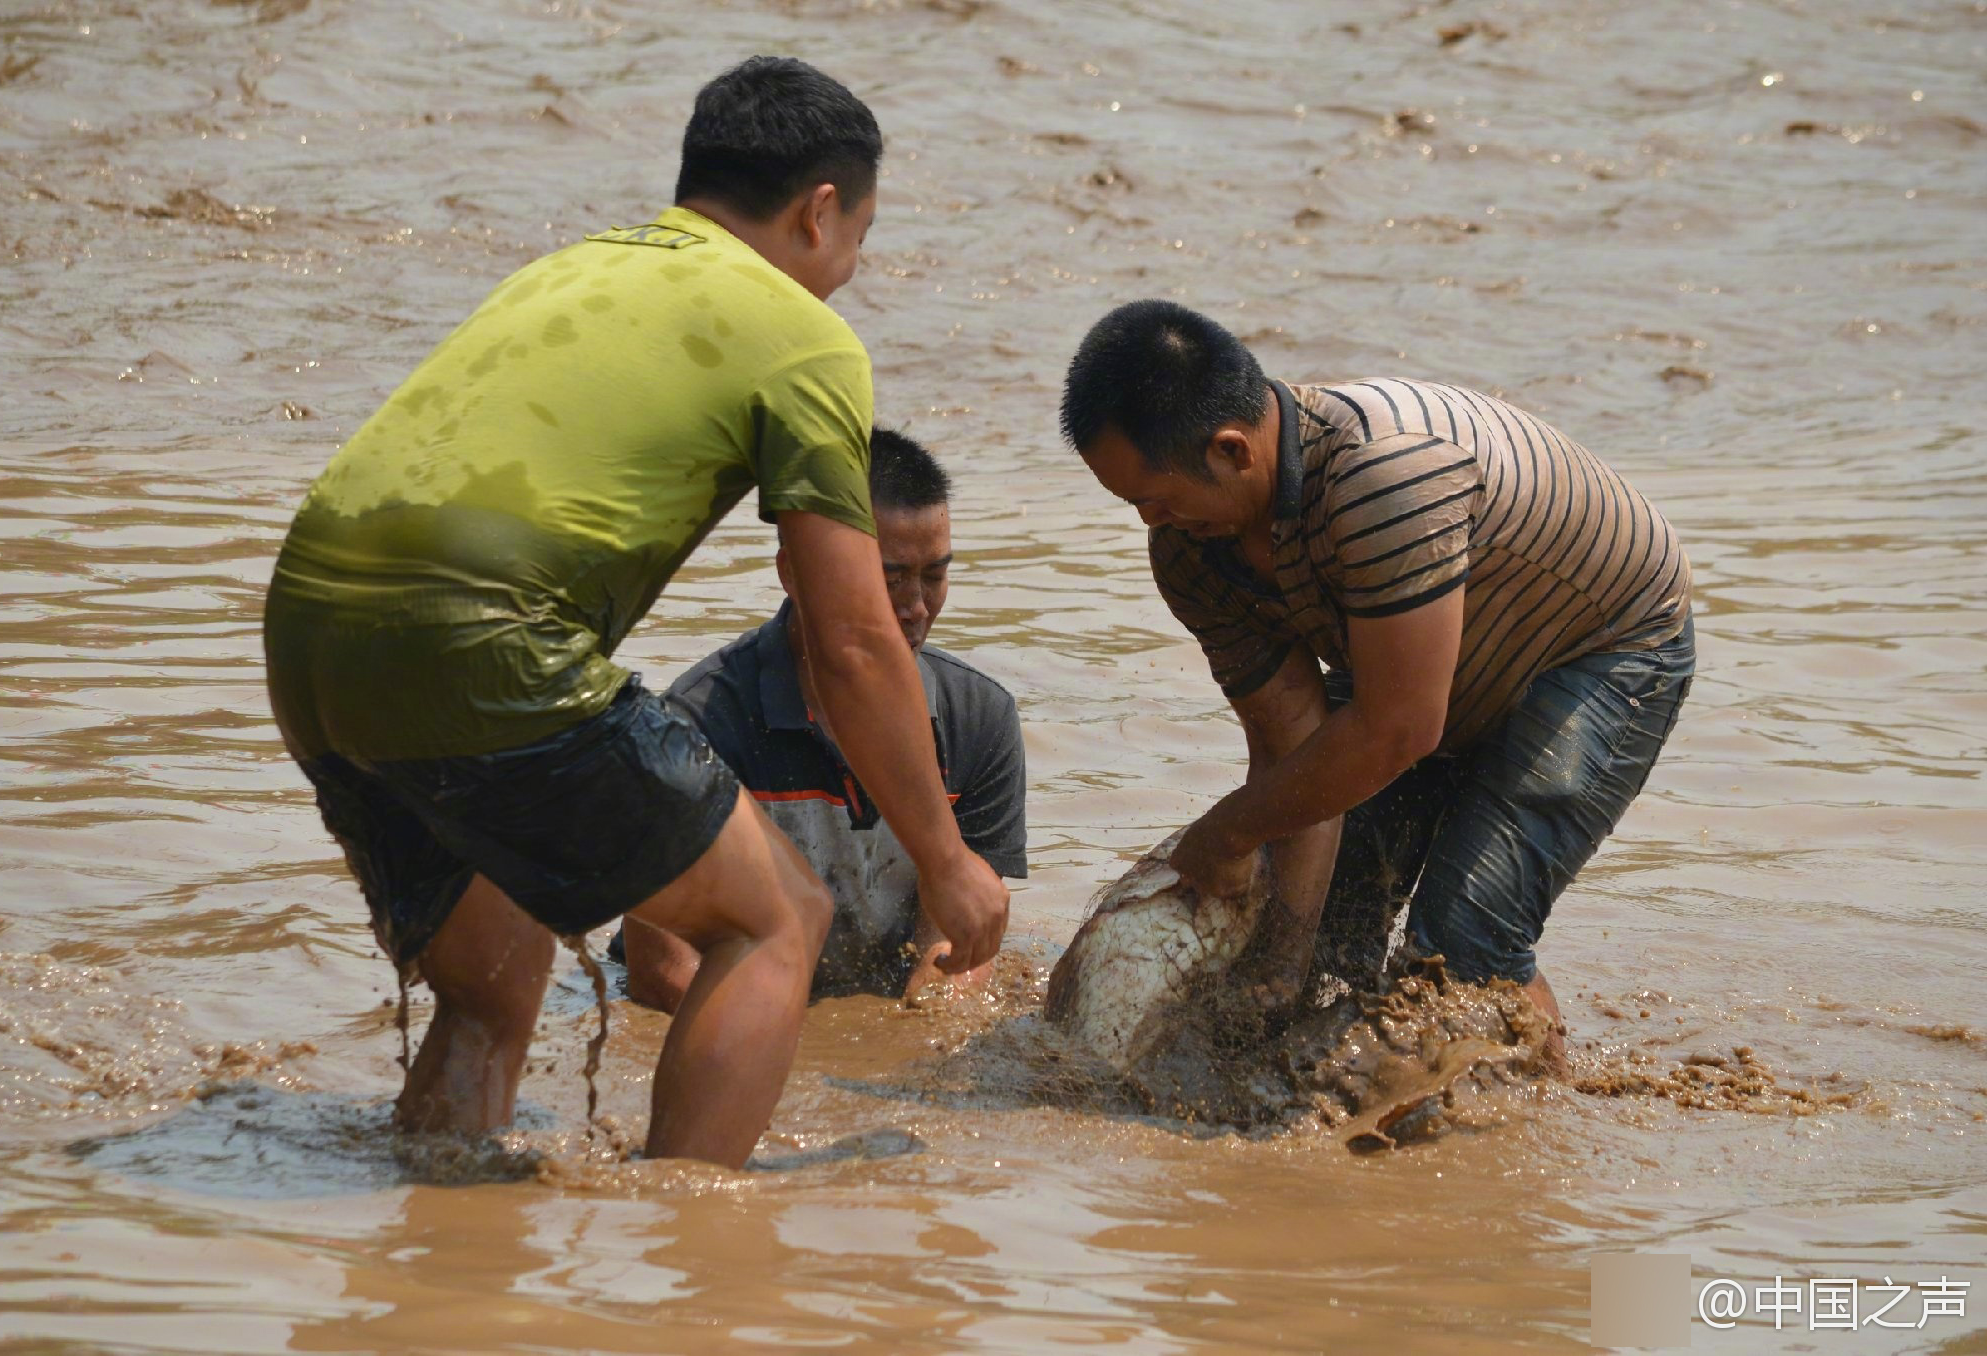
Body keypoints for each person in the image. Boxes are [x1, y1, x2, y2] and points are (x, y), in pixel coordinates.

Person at [262, 57, 1009, 1170]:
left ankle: (430, 1237)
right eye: (856, 239)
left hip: (309, 633)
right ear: (818, 213)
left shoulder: (571, 269)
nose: (849, 271)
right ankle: (688, 1258)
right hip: (482, 637)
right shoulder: (801, 336)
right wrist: (945, 860)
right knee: (774, 920)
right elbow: (850, 636)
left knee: (496, 984)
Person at [1060, 299, 1694, 1060]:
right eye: (1133, 505)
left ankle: (1536, 1128)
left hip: (1601, 649)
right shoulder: (1191, 553)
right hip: (1421, 673)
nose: (1149, 523)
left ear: (1232, 450)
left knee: (1464, 941)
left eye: (1155, 499)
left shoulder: (1384, 477)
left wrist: (1225, 832)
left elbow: (1397, 731)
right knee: (1318, 923)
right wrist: (1281, 965)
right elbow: (1289, 745)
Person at [614, 428, 1028, 1008]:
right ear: (795, 573)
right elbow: (663, 976)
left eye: (933, 576)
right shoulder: (694, 727)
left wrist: (910, 1043)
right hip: (731, 996)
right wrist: (812, 1067)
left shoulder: (978, 719)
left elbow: (958, 950)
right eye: (888, 580)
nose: (915, 607)